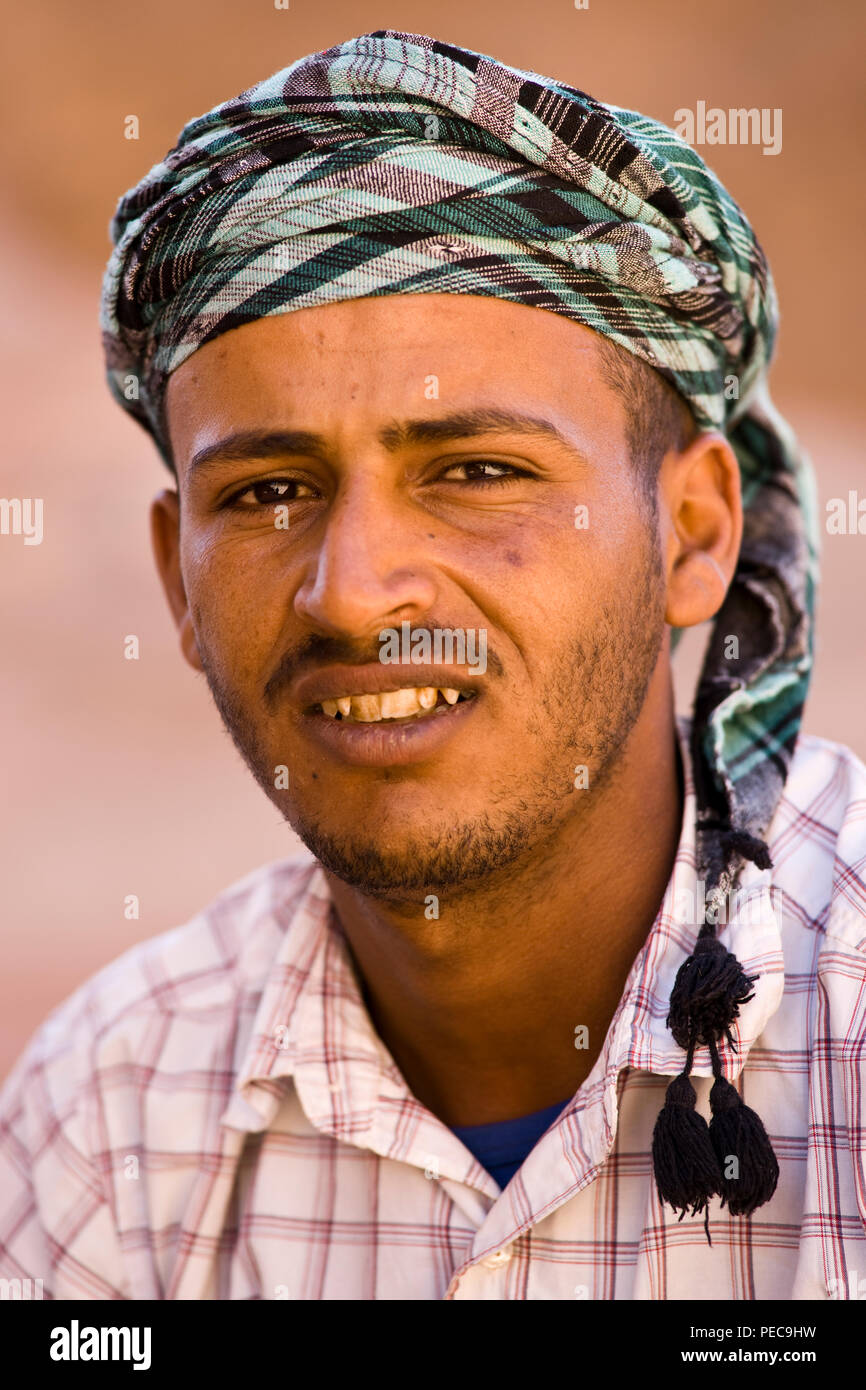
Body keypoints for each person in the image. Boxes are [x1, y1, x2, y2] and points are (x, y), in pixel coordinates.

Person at [1, 30, 863, 1301]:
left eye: (474, 472)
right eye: (269, 490)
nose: (350, 592)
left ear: (690, 532)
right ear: (175, 576)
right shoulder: (114, 1119)